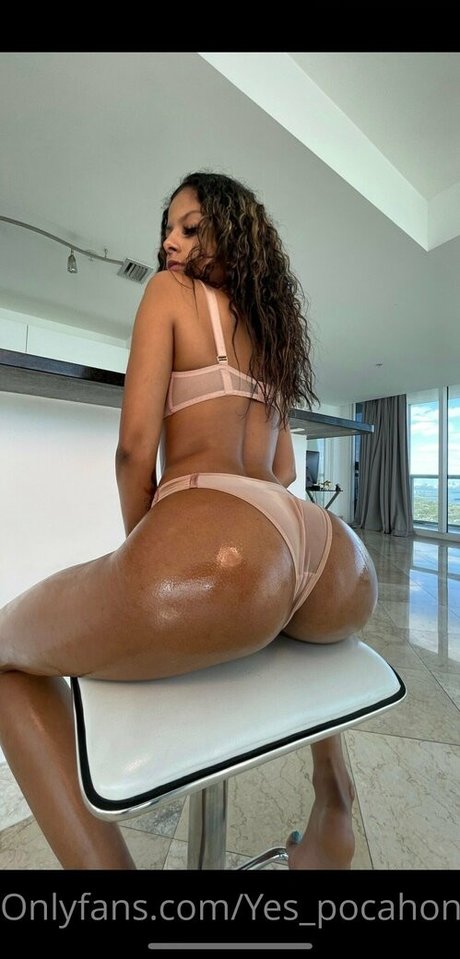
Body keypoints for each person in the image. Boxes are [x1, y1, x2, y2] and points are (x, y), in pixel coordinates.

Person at [0, 171, 377, 870]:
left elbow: (133, 449)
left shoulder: (169, 294)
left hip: (224, 553)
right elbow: (283, 470)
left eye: (190, 227)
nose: (170, 243)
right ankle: (334, 804)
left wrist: (145, 553)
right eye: (167, 230)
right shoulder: (273, 334)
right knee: (307, 636)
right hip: (331, 559)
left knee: (2, 649)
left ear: (232, 232)